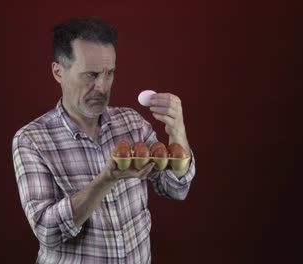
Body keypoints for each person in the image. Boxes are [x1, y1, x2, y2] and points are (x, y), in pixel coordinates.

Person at [12, 17, 196, 264]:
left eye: (109, 73)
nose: (102, 86)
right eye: (91, 75)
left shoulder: (132, 123)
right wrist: (106, 179)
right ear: (58, 72)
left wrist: (177, 131)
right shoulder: (31, 140)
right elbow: (48, 232)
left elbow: (176, 188)